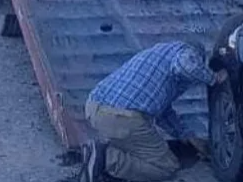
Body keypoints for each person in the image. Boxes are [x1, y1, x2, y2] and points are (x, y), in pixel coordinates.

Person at [81, 40, 228, 182]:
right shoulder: (186, 51)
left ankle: (100, 155)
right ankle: (106, 158)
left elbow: (163, 113)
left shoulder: (158, 55)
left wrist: (188, 137)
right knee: (167, 166)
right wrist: (214, 78)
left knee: (139, 150)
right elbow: (186, 66)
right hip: (121, 117)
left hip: (95, 108)